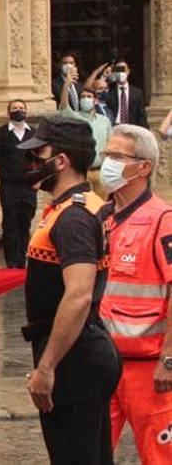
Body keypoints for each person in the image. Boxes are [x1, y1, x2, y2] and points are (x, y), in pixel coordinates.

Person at [17, 116, 121, 465]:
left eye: (38, 154)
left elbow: (78, 296)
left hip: (74, 358)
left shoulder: (73, 218)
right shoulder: (76, 208)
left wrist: (47, 367)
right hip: (80, 351)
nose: (31, 163)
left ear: (60, 160)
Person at [96, 124, 172, 462]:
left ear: (143, 167)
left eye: (115, 156)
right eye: (105, 154)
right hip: (102, 365)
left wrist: (169, 362)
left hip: (148, 370)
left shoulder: (162, 220)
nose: (106, 163)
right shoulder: (101, 218)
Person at [0, 99, 37, 269]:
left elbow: (42, 160)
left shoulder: (35, 134)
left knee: (25, 223)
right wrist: (6, 174)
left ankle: (23, 261)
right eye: (15, 108)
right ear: (8, 113)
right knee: (10, 224)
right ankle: (12, 263)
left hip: (29, 187)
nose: (18, 110)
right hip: (9, 187)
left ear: (26, 111)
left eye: (21, 108)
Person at [73, 89, 113, 194]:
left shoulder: (104, 121)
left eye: (89, 96)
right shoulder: (75, 119)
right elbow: (63, 108)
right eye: (83, 97)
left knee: (102, 205)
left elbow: (110, 144)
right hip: (82, 173)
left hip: (101, 171)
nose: (85, 99)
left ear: (95, 101)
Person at [108, 59, 148, 128]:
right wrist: (106, 76)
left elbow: (142, 116)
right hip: (115, 128)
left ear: (128, 71)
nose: (121, 73)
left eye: (123, 70)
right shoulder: (110, 91)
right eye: (118, 70)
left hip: (131, 128)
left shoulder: (137, 93)